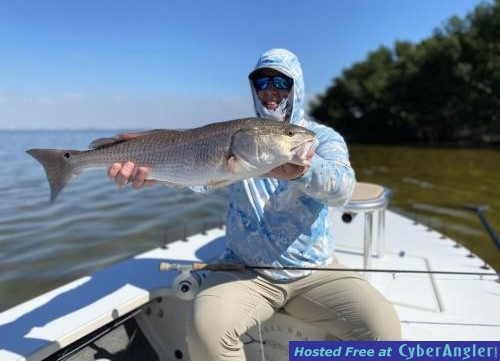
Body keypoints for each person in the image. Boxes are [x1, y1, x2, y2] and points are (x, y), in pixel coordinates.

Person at [108, 48, 401, 360]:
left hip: (314, 268)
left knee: (384, 333)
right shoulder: (239, 135)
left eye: (280, 81)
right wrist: (157, 174)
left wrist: (303, 171)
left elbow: (343, 187)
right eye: (261, 83)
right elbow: (202, 179)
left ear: (296, 86)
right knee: (206, 332)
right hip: (243, 268)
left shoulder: (319, 138)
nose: (270, 90)